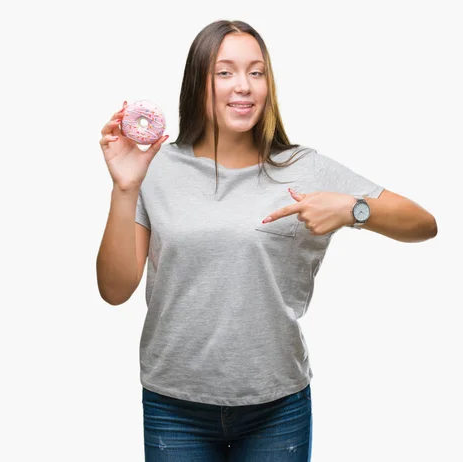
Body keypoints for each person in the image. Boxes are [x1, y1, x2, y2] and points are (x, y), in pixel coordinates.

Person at [96, 19, 437, 462]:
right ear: (197, 82)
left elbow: (424, 224)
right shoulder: (156, 167)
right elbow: (114, 289)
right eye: (225, 72)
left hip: (277, 405)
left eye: (256, 72)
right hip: (173, 403)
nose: (244, 86)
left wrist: (354, 209)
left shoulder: (304, 167)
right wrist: (125, 188)